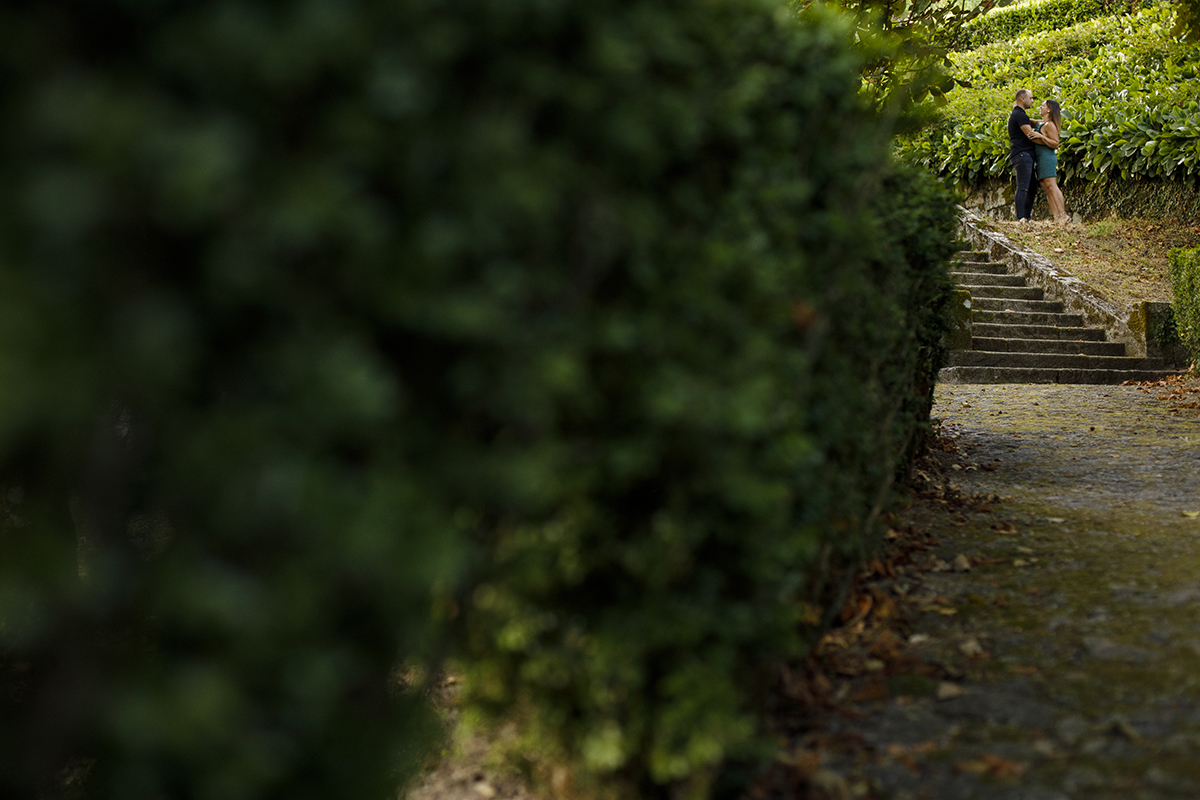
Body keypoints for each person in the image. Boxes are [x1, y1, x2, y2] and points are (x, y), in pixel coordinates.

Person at [1007, 89, 1056, 222]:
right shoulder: (1019, 115)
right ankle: (1021, 217)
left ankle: (1027, 217)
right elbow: (1031, 136)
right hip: (1022, 154)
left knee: (1032, 188)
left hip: (1025, 155)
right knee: (1023, 186)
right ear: (1023, 99)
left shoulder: (1019, 114)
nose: (1032, 100)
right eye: (1031, 98)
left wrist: (1046, 122)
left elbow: (1033, 122)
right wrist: (1049, 142)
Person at [1034, 99, 1068, 223]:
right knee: (1046, 187)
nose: (1040, 107)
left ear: (1049, 109)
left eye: (1043, 105)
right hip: (1040, 158)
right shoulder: (1043, 123)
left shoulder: (1050, 125)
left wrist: (1041, 137)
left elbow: (1055, 144)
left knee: (1052, 186)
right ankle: (1056, 217)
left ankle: (1063, 214)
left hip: (1047, 157)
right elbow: (1033, 122)